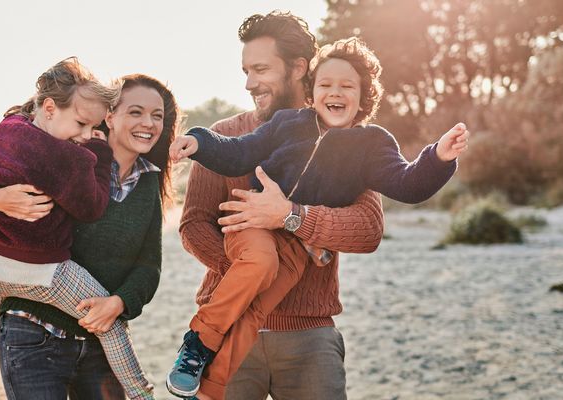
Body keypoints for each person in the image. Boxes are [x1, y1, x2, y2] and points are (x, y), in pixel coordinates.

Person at [167, 35, 468, 398]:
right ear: (311, 90)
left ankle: (213, 386)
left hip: (301, 280)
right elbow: (239, 153)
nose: (335, 92)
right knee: (261, 265)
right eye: (325, 84)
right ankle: (199, 342)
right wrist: (200, 141)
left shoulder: (370, 146)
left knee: (257, 308)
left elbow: (405, 187)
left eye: (346, 86)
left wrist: (439, 158)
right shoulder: (287, 123)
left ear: (363, 96)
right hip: (252, 230)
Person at [176, 11, 380, 400]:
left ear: (298, 67)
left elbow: (368, 227)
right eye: (246, 71)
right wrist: (253, 271)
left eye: (261, 69)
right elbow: (193, 225)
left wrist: (291, 217)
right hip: (228, 332)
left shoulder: (347, 139)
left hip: (308, 336)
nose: (250, 83)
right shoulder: (224, 136)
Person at [0, 72, 177, 399]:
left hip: (98, 345)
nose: (149, 123)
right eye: (136, 111)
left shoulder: (147, 184)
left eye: (158, 115)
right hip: (33, 335)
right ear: (109, 116)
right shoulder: (65, 150)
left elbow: (148, 266)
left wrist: (120, 302)